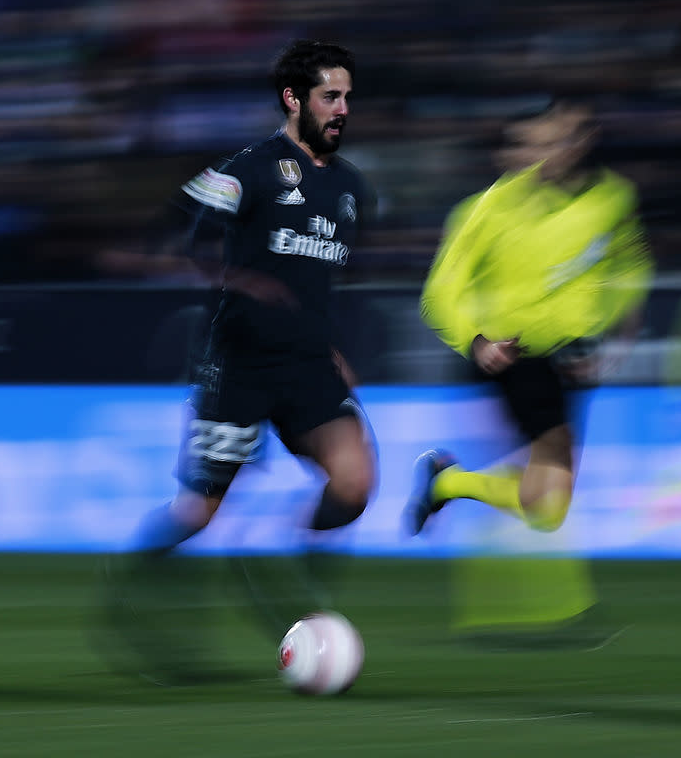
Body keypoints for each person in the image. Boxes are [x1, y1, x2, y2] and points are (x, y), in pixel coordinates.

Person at [100, 40, 377, 678]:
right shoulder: (248, 169)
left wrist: (331, 346)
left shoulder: (351, 189)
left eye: (347, 98)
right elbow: (176, 229)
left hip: (308, 364)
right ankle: (135, 573)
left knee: (355, 485)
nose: (341, 109)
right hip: (241, 365)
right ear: (293, 99)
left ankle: (287, 571)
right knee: (197, 513)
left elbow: (317, 280)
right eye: (330, 97)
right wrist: (236, 282)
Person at [405, 101, 652, 640]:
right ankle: (569, 611)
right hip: (511, 355)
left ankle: (448, 482)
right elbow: (441, 290)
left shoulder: (611, 199)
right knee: (552, 474)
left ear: (578, 143)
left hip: (573, 359)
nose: (541, 156)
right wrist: (477, 341)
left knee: (548, 506)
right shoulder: (482, 210)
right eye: (528, 146)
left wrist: (613, 330)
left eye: (552, 142)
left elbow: (629, 266)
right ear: (508, 154)